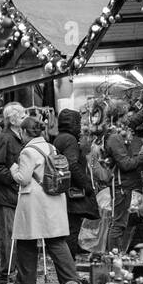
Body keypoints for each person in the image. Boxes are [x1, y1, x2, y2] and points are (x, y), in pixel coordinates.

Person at [9, 115, 81, 284]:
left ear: (24, 132)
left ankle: (25, 281)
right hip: (54, 197)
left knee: (26, 241)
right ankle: (70, 279)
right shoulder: (51, 147)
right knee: (56, 240)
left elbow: (23, 178)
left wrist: (13, 169)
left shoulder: (27, 151)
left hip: (34, 201)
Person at [0, 102, 28, 284]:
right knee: (9, 234)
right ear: (12, 120)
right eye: (22, 116)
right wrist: (15, 178)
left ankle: (14, 270)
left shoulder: (20, 136)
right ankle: (6, 272)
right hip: (6, 194)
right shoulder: (5, 138)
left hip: (16, 192)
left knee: (15, 234)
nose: (25, 118)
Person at [54, 108, 99, 259]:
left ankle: (67, 263)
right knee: (72, 231)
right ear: (72, 124)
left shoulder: (60, 138)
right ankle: (69, 266)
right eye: (78, 123)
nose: (80, 126)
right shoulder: (70, 140)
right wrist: (87, 185)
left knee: (68, 230)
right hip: (73, 194)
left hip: (65, 191)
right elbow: (72, 164)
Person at [104, 114, 143, 252]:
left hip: (125, 186)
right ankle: (114, 258)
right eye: (125, 116)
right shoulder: (115, 138)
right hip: (122, 187)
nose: (128, 120)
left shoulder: (117, 136)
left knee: (120, 223)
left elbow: (137, 117)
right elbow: (125, 164)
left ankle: (117, 255)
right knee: (118, 224)